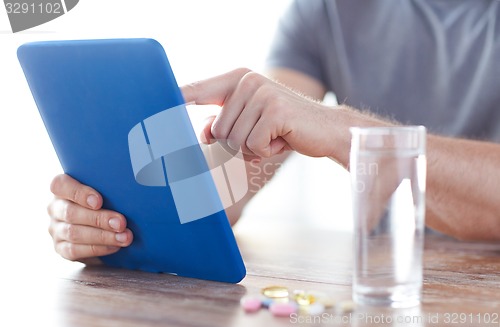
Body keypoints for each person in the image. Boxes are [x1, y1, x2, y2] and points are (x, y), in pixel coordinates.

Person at [47, 0, 500, 262]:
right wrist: (116, 220)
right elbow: (242, 170)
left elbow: (320, 124)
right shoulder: (327, 10)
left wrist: (342, 129)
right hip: (388, 284)